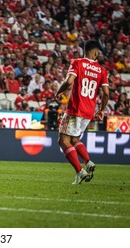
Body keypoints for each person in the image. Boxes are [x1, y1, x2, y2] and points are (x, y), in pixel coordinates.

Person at [54, 40, 109, 184]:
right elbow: (106, 93)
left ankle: (80, 171)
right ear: (96, 52)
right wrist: (101, 110)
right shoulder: (102, 70)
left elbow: (69, 81)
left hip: (75, 108)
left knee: (63, 141)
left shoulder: (77, 62)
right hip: (89, 111)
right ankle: (88, 162)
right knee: (74, 140)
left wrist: (59, 92)